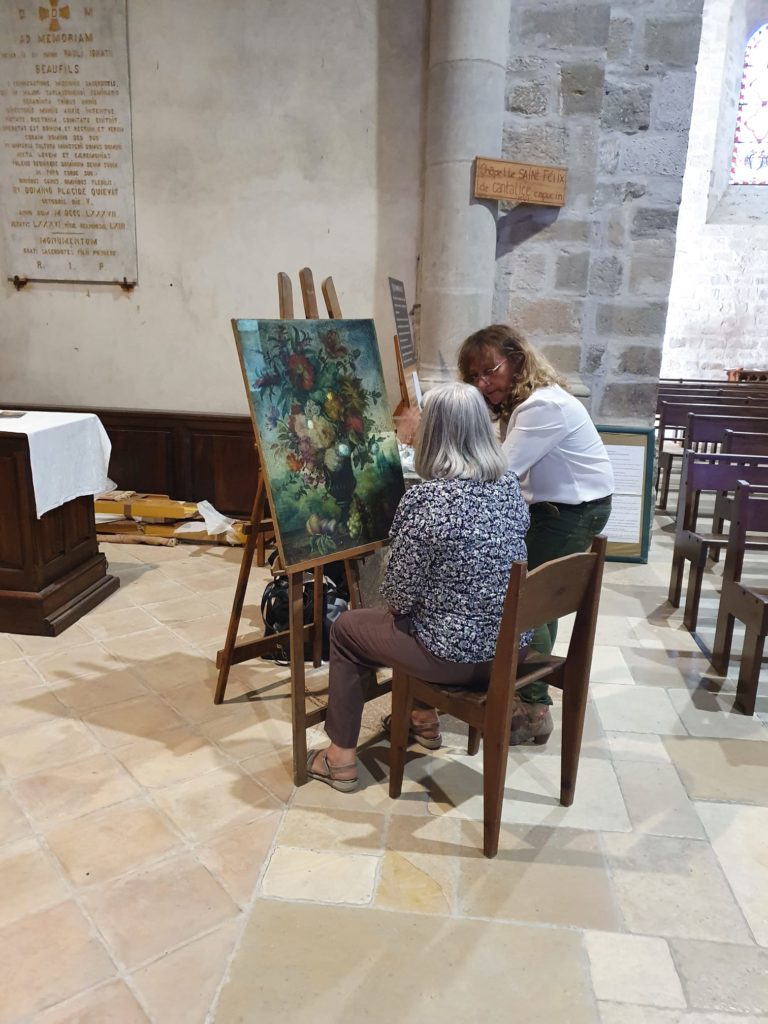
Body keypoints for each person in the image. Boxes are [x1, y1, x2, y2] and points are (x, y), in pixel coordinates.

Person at [307, 381, 531, 792]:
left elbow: (398, 595)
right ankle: (423, 718)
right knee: (431, 616)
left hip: (457, 660)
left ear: (433, 435)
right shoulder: (509, 486)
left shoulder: (428, 501)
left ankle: (339, 759)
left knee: (348, 630)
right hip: (508, 648)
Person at [458, 324, 614, 745]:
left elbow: (501, 471)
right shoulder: (530, 403)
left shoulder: (540, 407)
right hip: (563, 508)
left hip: (568, 512)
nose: (482, 383)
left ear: (518, 360)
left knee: (528, 601)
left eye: (489, 371)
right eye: (473, 377)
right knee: (536, 600)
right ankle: (526, 688)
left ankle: (533, 707)